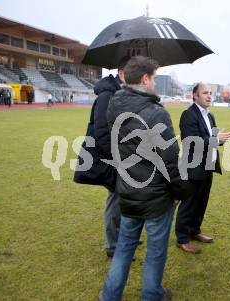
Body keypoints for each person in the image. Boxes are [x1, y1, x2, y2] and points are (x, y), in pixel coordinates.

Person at [100, 56, 187, 301]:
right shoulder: (156, 113)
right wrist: (180, 191)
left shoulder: (114, 104)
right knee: (156, 250)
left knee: (125, 246)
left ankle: (110, 295)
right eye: (155, 79)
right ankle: (151, 294)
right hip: (155, 195)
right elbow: (170, 160)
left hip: (128, 189)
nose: (156, 84)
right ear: (145, 79)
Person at [175, 83, 230, 254]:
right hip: (193, 167)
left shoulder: (210, 116)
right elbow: (192, 142)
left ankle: (195, 230)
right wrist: (215, 139)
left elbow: (208, 139)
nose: (209, 96)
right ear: (195, 96)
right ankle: (182, 238)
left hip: (208, 166)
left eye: (210, 93)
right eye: (205, 93)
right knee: (189, 203)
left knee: (201, 202)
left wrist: (218, 140)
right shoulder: (188, 115)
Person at [86, 57, 129, 259]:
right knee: (116, 198)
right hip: (111, 158)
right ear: (121, 73)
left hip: (122, 156)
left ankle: (124, 238)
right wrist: (116, 159)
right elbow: (102, 133)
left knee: (125, 197)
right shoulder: (107, 95)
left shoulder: (122, 93)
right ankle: (113, 245)